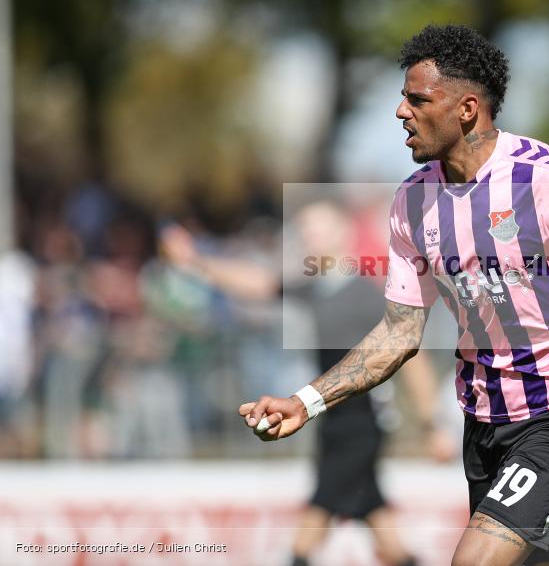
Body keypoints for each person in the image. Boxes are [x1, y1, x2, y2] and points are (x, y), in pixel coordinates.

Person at [239, 24, 549, 566]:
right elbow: (399, 332)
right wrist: (306, 401)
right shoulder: (412, 203)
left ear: (467, 109)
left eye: (417, 99)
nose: (401, 112)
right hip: (484, 418)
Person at [162, 199, 453, 566]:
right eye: (304, 230)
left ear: (342, 235)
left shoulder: (367, 292)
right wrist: (196, 261)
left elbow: (413, 358)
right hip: (330, 417)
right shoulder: (314, 288)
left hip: (363, 421)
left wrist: (433, 424)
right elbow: (258, 284)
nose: (309, 237)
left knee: (314, 519)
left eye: (319, 228)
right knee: (382, 530)